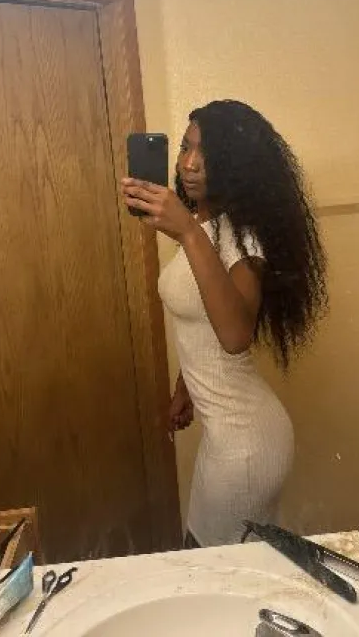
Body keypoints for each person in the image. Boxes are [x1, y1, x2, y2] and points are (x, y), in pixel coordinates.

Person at [122, 100, 327, 548]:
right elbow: (202, 315)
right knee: (220, 558)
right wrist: (185, 388)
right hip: (228, 434)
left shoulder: (241, 236)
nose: (190, 164)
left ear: (238, 166)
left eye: (208, 154)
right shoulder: (207, 225)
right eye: (185, 148)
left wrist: (186, 232)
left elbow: (234, 336)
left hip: (246, 442)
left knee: (209, 563)